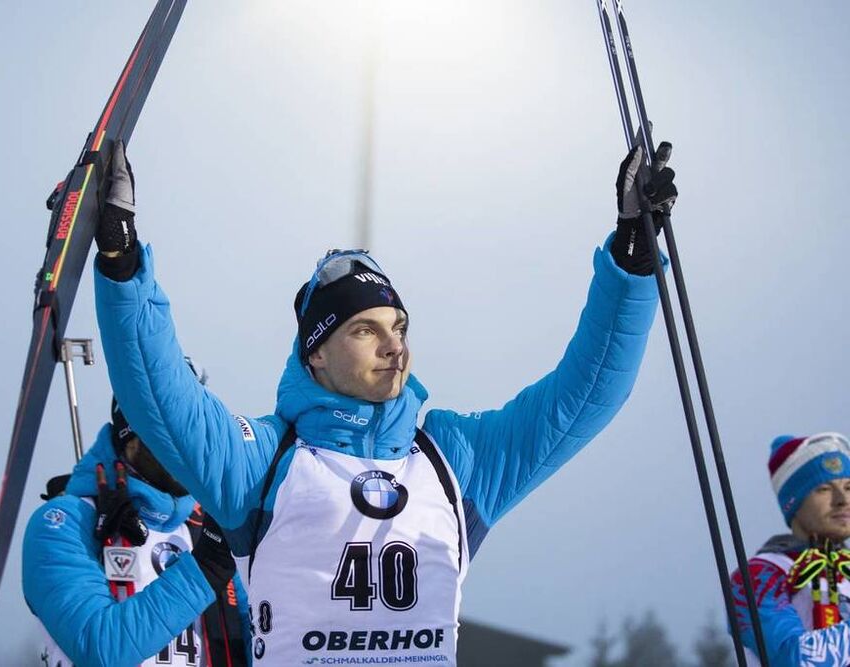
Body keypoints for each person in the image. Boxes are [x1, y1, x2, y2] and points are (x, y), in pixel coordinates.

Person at [89, 140, 674, 665]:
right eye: (365, 330)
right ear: (316, 353)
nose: (395, 346)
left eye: (399, 326)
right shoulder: (262, 460)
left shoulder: (454, 460)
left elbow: (585, 393)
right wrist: (121, 260)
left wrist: (632, 257)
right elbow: (159, 394)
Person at [23, 391, 249, 667]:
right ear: (132, 439)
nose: (189, 448)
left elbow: (268, 645)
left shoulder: (207, 529)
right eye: (172, 433)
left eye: (195, 431)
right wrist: (205, 571)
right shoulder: (64, 522)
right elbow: (100, 648)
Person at [731, 432, 850, 667]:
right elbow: (794, 658)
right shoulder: (757, 576)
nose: (842, 500)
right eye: (824, 489)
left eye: (848, 487)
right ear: (793, 502)